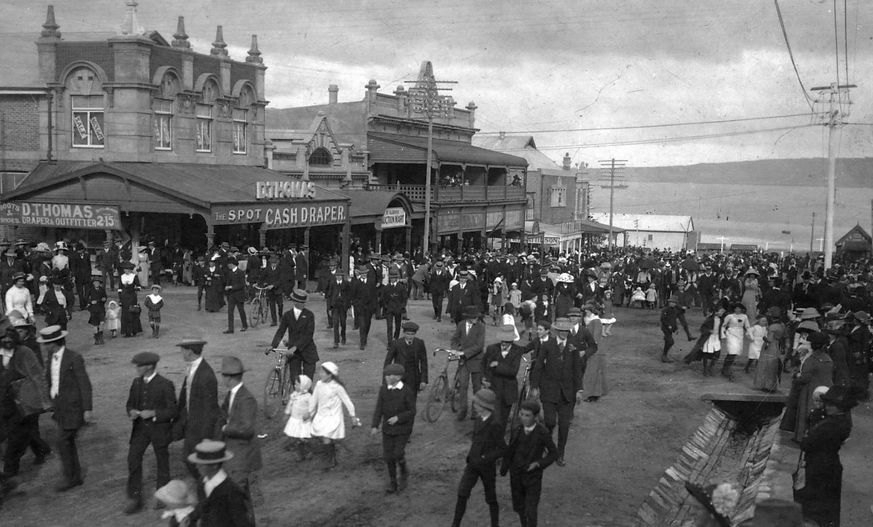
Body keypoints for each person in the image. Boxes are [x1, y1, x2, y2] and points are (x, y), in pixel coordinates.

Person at [795, 385, 860, 527]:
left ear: (841, 407)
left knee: (814, 509)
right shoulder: (842, 421)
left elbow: (806, 444)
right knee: (828, 508)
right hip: (830, 465)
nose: (828, 407)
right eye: (828, 404)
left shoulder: (829, 426)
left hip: (820, 467)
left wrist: (808, 435)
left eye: (832, 405)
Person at [124, 351, 177, 514]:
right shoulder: (136, 383)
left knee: (162, 461)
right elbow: (129, 404)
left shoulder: (165, 384)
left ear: (149, 367)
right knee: (133, 459)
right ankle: (135, 497)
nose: (136, 369)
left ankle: (163, 495)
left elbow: (173, 411)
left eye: (139, 366)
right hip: (140, 429)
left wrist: (154, 413)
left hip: (159, 429)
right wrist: (131, 411)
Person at [40, 325, 92, 491]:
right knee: (67, 442)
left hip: (73, 408)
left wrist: (87, 409)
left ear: (54, 343)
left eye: (46, 343)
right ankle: (74, 476)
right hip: (60, 407)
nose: (44, 346)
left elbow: (85, 384)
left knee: (62, 441)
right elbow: (50, 380)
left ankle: (71, 478)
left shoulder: (74, 358)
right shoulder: (51, 357)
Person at [530, 318, 583, 466]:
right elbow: (539, 366)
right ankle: (547, 447)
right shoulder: (547, 346)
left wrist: (579, 389)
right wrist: (534, 386)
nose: (564, 333)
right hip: (549, 391)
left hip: (567, 393)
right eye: (562, 331)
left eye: (567, 331)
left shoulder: (573, 347)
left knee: (564, 425)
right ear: (556, 331)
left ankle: (560, 454)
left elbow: (577, 370)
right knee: (550, 422)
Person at [0, 326, 51, 478]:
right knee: (19, 432)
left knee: (16, 437)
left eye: (10, 338)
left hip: (23, 401)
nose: (7, 341)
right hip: (5, 402)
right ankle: (41, 448)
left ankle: (9, 471)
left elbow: (37, 376)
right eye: (3, 339)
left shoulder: (25, 352)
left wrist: (44, 400)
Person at [450, 389, 505, 527]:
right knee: (462, 493)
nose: (474, 405)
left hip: (486, 468)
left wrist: (486, 457)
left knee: (491, 498)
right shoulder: (479, 419)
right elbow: (476, 440)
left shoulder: (495, 424)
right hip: (472, 465)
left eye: (476, 403)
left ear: (485, 406)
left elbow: (504, 448)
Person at [500, 399, 558, 527]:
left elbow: (554, 453)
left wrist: (538, 463)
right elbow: (510, 449)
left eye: (527, 415)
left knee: (531, 511)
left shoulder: (542, 432)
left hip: (533, 478)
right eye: (522, 414)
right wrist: (504, 468)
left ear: (535, 417)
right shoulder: (516, 429)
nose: (524, 418)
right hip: (516, 476)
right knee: (520, 508)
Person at [216, 356, 262, 501]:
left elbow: (247, 429)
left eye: (223, 375)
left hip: (242, 455)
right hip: (234, 452)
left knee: (237, 497)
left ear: (229, 377)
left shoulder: (246, 399)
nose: (222, 379)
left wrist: (225, 429)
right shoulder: (232, 394)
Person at [174, 339, 221, 480]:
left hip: (200, 429)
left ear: (189, 351)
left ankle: (208, 489)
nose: (181, 352)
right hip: (191, 423)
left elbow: (210, 409)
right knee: (189, 459)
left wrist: (206, 436)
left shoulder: (206, 375)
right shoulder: (192, 368)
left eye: (182, 349)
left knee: (198, 463)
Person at [370, 363, 416, 493]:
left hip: (402, 429)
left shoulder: (407, 391)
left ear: (398, 377)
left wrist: (398, 418)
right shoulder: (383, 390)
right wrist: (375, 425)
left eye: (389, 375)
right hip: (387, 429)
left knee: (398, 453)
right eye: (386, 375)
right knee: (388, 456)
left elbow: (412, 411)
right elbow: (379, 409)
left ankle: (403, 470)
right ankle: (393, 482)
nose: (386, 377)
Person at [186, 440, 255, 527]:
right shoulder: (202, 483)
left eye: (201, 464)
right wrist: (191, 517)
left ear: (214, 465)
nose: (197, 467)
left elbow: (242, 521)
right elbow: (202, 506)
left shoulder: (232, 491)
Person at [780, 332, 834, 443]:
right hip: (826, 389)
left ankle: (802, 437)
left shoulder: (812, 359)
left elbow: (804, 378)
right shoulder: (827, 358)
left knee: (806, 412)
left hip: (810, 390)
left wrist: (796, 377)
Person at [309, 361, 361, 471]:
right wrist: (310, 413)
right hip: (321, 415)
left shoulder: (337, 387)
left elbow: (347, 401)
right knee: (324, 437)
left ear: (330, 374)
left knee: (326, 437)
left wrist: (352, 416)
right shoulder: (319, 384)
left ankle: (328, 462)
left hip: (333, 416)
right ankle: (332, 458)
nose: (320, 374)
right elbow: (314, 400)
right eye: (320, 372)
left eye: (323, 372)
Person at [270, 289, 319, 382]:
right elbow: (281, 331)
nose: (302, 304)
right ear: (294, 302)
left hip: (308, 351)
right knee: (295, 381)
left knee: (307, 383)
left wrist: (294, 347)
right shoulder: (287, 315)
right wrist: (272, 345)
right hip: (294, 355)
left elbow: (308, 335)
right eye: (300, 302)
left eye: (303, 302)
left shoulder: (309, 315)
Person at [482, 324, 527, 425]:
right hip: (493, 388)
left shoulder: (517, 351)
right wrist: (484, 378)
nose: (503, 343)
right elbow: (484, 364)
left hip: (508, 391)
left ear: (512, 341)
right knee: (495, 419)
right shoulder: (492, 349)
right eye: (502, 340)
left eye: (506, 341)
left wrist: (498, 365)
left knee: (503, 419)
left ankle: (499, 439)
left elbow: (513, 371)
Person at [451, 306, 486, 421]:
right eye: (474, 317)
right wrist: (454, 349)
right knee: (463, 386)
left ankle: (475, 412)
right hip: (463, 362)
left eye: (477, 317)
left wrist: (463, 353)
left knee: (477, 387)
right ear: (468, 317)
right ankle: (462, 410)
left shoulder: (481, 327)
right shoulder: (461, 325)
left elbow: (479, 346)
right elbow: (455, 339)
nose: (476, 319)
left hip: (476, 361)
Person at [384, 321, 428, 402]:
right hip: (399, 376)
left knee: (411, 401)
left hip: (413, 377)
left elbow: (424, 362)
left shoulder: (419, 343)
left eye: (412, 334)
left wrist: (423, 380)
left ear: (415, 334)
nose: (410, 336)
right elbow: (388, 362)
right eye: (408, 334)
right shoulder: (396, 344)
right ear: (404, 333)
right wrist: (386, 379)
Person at [282, 375, 313, 461]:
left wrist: (309, 414)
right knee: (296, 436)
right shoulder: (294, 395)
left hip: (304, 421)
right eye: (295, 384)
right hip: (294, 420)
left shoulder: (308, 397)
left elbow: (312, 408)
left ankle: (307, 451)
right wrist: (287, 413)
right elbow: (290, 404)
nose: (295, 386)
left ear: (303, 386)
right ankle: (299, 453)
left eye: (297, 384)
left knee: (303, 436)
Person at [721, 303, 751, 380]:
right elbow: (724, 325)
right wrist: (723, 334)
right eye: (736, 308)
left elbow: (747, 326)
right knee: (732, 351)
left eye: (739, 308)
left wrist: (749, 334)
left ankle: (727, 367)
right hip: (731, 333)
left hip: (739, 334)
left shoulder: (744, 317)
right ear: (734, 309)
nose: (737, 310)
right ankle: (726, 368)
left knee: (735, 352)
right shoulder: (729, 316)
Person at [380, 268, 407, 346]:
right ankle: (390, 343)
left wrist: (402, 306)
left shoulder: (401, 287)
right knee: (389, 326)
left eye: (394, 278)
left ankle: (396, 338)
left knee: (398, 325)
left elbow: (404, 298)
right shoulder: (386, 287)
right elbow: (383, 298)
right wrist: (386, 306)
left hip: (398, 309)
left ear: (396, 278)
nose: (392, 279)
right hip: (389, 309)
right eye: (391, 277)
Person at [325, 270, 351, 348]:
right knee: (335, 323)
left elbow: (349, 295)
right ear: (335, 276)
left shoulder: (346, 284)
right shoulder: (332, 283)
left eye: (340, 275)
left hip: (343, 306)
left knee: (343, 323)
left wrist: (348, 306)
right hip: (335, 306)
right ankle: (336, 341)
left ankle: (343, 337)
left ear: (342, 276)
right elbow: (329, 296)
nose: (339, 277)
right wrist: (329, 307)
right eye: (337, 275)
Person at [223, 258, 248, 334]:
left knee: (241, 311)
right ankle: (231, 329)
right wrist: (227, 288)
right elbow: (228, 282)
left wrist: (231, 287)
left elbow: (242, 284)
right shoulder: (229, 273)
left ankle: (244, 325)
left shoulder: (240, 272)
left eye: (229, 264)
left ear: (232, 264)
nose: (228, 266)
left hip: (239, 294)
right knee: (230, 312)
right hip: (231, 295)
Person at [118, 262, 143, 338]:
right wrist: (120, 299)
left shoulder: (134, 276)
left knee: (132, 312)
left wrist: (135, 288)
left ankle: (134, 330)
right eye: (125, 269)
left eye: (127, 269)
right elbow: (119, 289)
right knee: (125, 314)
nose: (126, 270)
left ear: (130, 270)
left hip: (132, 296)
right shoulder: (122, 277)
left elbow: (139, 287)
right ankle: (127, 332)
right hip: (124, 297)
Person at [260, 253, 284, 326]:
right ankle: (274, 321)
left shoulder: (280, 269)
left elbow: (281, 279)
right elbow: (262, 277)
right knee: (272, 306)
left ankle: (280, 315)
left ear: (277, 263)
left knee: (280, 305)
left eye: (275, 263)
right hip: (270, 291)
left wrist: (273, 285)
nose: (273, 265)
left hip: (278, 289)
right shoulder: (267, 269)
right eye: (272, 263)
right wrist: (258, 283)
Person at [84, 276, 107, 345]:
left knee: (102, 323)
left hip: (101, 308)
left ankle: (101, 336)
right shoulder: (90, 290)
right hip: (93, 309)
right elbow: (86, 298)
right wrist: (90, 302)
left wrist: (104, 299)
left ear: (100, 283)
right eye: (95, 282)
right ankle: (96, 338)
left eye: (98, 282)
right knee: (95, 324)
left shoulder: (102, 289)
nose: (97, 283)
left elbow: (105, 296)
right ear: (93, 283)